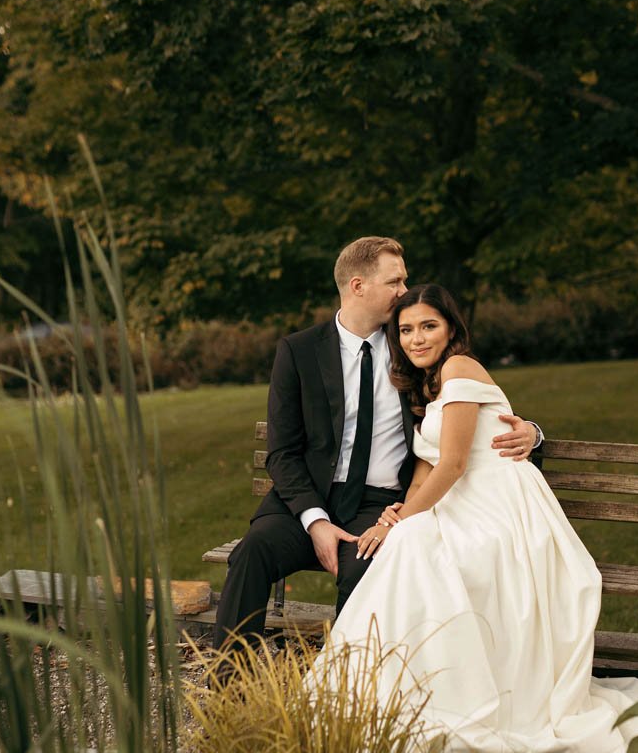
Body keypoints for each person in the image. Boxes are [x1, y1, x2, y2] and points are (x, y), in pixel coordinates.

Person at [317, 283, 638, 753]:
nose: (416, 338)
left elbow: (453, 464)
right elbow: (424, 467)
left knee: (422, 546)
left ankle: (452, 691)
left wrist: (404, 520)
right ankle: (411, 682)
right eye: (407, 329)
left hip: (501, 505)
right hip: (460, 499)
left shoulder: (459, 369)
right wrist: (398, 514)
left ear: (452, 329)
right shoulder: (426, 384)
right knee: (410, 542)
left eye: (428, 326)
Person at [214, 238, 542, 659]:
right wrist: (315, 521)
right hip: (307, 500)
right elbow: (282, 453)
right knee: (251, 553)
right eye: (395, 281)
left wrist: (532, 433)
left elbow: (477, 403)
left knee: (368, 571)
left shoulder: (413, 348)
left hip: (382, 504)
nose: (405, 291)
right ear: (357, 286)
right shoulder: (298, 352)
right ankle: (229, 690)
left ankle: (352, 699)